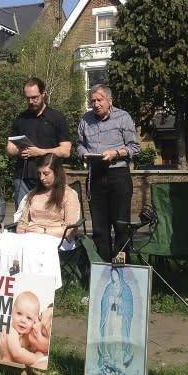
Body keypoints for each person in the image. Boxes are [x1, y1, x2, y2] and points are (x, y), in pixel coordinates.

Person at [0, 153, 80, 289]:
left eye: (46, 173)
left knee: (30, 244)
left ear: (57, 172)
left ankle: (32, 287)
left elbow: (71, 229)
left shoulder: (69, 195)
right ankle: (4, 282)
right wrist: (21, 226)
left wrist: (44, 231)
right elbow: (23, 219)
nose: (41, 178)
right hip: (31, 234)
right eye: (40, 174)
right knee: (3, 239)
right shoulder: (35, 193)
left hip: (57, 236)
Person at [76, 84, 140, 262]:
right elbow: (79, 144)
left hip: (118, 174)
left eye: (99, 100)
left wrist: (115, 154)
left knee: (121, 226)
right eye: (93, 101)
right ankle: (102, 269)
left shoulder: (123, 117)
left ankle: (122, 268)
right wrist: (84, 154)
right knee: (99, 228)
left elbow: (134, 147)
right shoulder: (86, 119)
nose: (96, 104)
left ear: (110, 101)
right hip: (95, 175)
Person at [6, 77, 71, 208]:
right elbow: (9, 147)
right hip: (23, 177)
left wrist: (40, 152)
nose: (31, 101)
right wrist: (19, 152)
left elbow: (66, 151)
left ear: (43, 95)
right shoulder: (21, 118)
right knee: (21, 217)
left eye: (35, 97)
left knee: (47, 216)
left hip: (49, 177)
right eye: (28, 98)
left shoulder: (56, 118)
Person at [98, 267, 134, 375]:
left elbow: (129, 306)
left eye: (115, 275)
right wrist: (108, 301)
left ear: (119, 275)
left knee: (117, 336)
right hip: (109, 316)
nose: (113, 277)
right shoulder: (109, 287)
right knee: (108, 335)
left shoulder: (126, 289)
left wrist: (120, 302)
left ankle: (118, 361)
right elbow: (103, 301)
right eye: (112, 275)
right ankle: (107, 360)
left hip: (119, 318)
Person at [0, 302, 53, 369]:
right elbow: (17, 353)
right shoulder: (14, 332)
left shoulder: (43, 362)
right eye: (39, 318)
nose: (35, 326)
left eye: (43, 332)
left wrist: (7, 358)